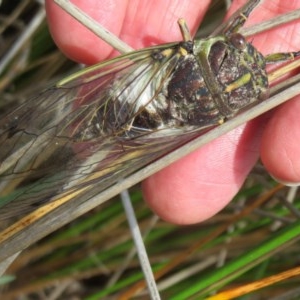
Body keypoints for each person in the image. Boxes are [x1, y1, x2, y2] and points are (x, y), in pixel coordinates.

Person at [45, 0, 300, 224]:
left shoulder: (197, 50)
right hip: (150, 120)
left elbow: (237, 24)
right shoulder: (223, 113)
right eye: (238, 42)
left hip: (137, 103)